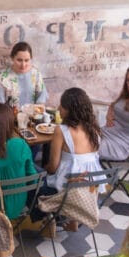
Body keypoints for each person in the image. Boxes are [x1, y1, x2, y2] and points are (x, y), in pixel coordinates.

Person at [45, 87, 102, 231]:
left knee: (35, 170)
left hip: (66, 187)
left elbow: (53, 167)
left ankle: (49, 218)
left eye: (62, 106)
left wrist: (44, 168)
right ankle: (73, 218)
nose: (59, 108)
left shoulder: (62, 131)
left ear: (69, 110)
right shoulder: (95, 129)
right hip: (89, 187)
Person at [0, 41, 47, 108]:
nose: (23, 65)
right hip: (10, 116)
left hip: (34, 115)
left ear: (31, 59)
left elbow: (41, 100)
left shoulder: (36, 74)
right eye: (19, 60)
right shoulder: (3, 78)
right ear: (12, 58)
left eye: (26, 60)